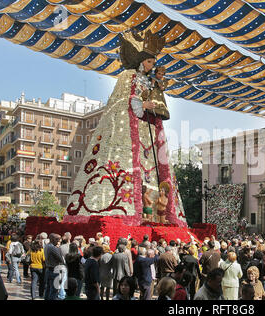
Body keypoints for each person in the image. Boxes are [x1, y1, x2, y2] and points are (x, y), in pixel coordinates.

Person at [66, 29, 187, 228]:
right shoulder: (128, 76)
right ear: (140, 61)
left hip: (147, 132)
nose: (151, 66)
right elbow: (126, 101)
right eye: (149, 62)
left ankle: (159, 215)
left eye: (153, 63)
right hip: (128, 132)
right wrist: (141, 105)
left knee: (152, 170)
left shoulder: (149, 81)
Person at [43, 233, 64, 300]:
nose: (58, 241)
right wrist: (59, 249)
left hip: (49, 269)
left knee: (48, 288)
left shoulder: (47, 246)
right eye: (56, 239)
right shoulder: (52, 247)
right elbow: (61, 259)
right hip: (54, 270)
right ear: (52, 239)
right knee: (54, 290)